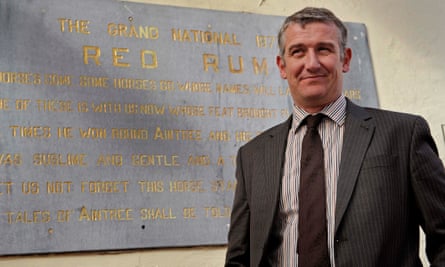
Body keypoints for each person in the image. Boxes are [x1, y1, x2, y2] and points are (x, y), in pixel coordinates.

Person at [225, 6, 445, 266]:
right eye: (298, 52)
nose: (312, 63)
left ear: (345, 59)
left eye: (324, 49)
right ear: (282, 66)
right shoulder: (253, 155)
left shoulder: (403, 134)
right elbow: (240, 256)